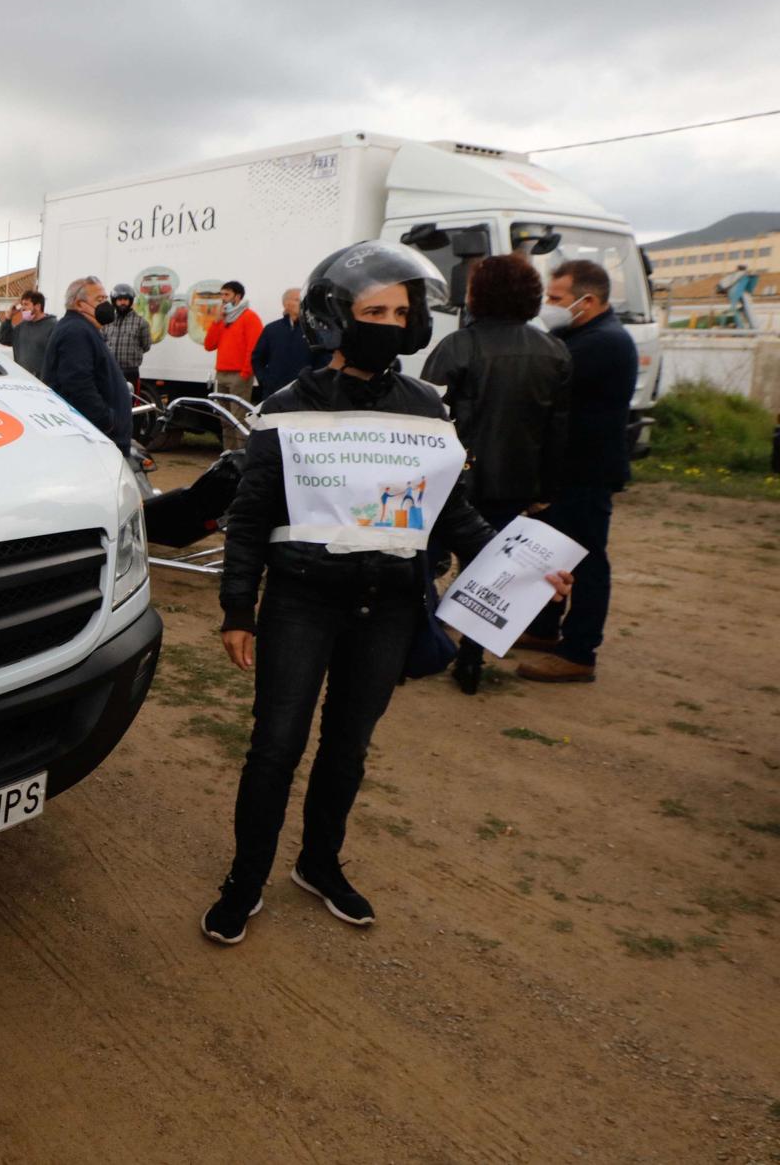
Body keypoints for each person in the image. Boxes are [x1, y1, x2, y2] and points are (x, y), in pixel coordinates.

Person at [201, 242, 570, 945]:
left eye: (402, 312)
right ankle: (244, 880)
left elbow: (456, 515)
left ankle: (317, 863)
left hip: (389, 607)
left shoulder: (428, 407)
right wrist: (238, 608)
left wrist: (531, 563)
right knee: (276, 747)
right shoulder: (286, 405)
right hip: (302, 603)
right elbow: (249, 516)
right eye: (375, 310)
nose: (391, 324)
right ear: (336, 317)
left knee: (347, 748)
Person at [420, 253, 572, 693]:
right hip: (516, 482)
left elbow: (430, 423)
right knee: (491, 572)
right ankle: (471, 659)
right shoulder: (555, 352)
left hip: (451, 482)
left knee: (425, 563)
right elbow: (557, 430)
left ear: (478, 294)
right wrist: (546, 489)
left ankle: (422, 645)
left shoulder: (456, 346)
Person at [517, 258, 639, 685]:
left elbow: (541, 377)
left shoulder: (603, 342)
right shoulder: (582, 333)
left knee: (586, 561)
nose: (548, 306)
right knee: (554, 551)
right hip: (568, 468)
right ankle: (545, 630)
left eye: (556, 299)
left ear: (587, 301)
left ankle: (579, 652)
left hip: (587, 471)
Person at [40, 276, 132, 450]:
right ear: (80, 304)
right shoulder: (76, 331)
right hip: (96, 440)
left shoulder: (84, 329)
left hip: (101, 437)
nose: (107, 305)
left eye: (106, 299)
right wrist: (107, 422)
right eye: (100, 299)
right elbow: (78, 384)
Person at [203, 280, 263, 449]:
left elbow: (254, 347)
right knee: (225, 419)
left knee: (239, 418)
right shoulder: (224, 319)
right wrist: (216, 322)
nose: (223, 299)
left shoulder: (249, 317)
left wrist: (246, 372)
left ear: (238, 296)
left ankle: (243, 454)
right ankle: (228, 454)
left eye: (227, 295)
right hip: (221, 374)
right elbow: (209, 345)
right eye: (221, 295)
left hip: (239, 375)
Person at [248, 287, 312, 401]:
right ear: (286, 304)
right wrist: (265, 380)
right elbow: (257, 358)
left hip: (305, 393)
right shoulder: (272, 329)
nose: (303, 303)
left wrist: (312, 382)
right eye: (298, 300)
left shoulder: (313, 329)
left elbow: (325, 359)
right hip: (274, 392)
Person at [99, 281, 151, 385]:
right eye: (120, 299)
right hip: (109, 369)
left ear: (130, 301)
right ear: (114, 301)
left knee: (128, 400)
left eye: (126, 299)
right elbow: (101, 343)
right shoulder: (107, 321)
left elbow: (146, 346)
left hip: (130, 372)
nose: (123, 302)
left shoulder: (141, 323)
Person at [0, 289, 56, 376]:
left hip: (43, 382)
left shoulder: (52, 326)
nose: (22, 308)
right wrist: (8, 318)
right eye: (22, 305)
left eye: (26, 304)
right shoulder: (21, 327)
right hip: (23, 380)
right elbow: (4, 339)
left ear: (38, 306)